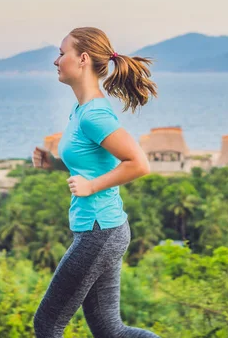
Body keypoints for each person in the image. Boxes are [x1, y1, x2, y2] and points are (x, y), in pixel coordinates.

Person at [31, 27, 160, 337]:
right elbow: (91, 164)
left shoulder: (94, 115)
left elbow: (139, 164)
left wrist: (91, 187)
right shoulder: (80, 110)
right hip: (103, 229)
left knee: (47, 324)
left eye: (62, 53)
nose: (56, 61)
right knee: (110, 331)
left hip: (99, 232)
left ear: (83, 58)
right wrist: (56, 165)